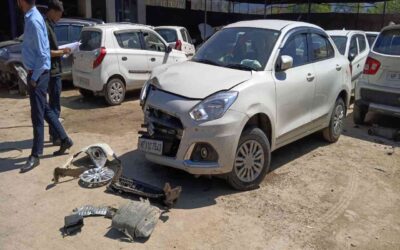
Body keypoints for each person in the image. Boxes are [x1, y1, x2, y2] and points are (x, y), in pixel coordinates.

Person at [18, 0, 73, 173]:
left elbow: (43, 55)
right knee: (46, 108)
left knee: (37, 115)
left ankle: (35, 155)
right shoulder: (33, 17)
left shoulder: (34, 20)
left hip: (38, 73)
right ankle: (64, 139)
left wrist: (34, 78)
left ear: (21, 1)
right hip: (38, 72)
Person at [45, 0, 70, 146]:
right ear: (53, 11)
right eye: (59, 15)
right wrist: (62, 51)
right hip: (52, 72)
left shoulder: (50, 26)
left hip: (54, 70)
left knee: (53, 105)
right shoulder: (46, 27)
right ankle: (56, 136)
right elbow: (46, 52)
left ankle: (53, 134)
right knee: (54, 106)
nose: (59, 18)